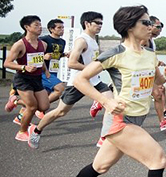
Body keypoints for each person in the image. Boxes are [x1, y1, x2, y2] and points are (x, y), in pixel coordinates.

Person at [44, 5, 166, 177]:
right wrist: (107, 101)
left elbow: (157, 83)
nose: (152, 27)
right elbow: (81, 79)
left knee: (99, 167)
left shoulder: (149, 54)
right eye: (146, 23)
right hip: (120, 121)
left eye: (152, 23)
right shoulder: (116, 54)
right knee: (157, 159)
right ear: (130, 27)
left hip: (138, 118)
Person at [28, 12, 112, 149]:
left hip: (95, 81)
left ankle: (104, 138)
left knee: (111, 103)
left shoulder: (93, 40)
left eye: (101, 23)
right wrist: (92, 68)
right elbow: (71, 63)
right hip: (79, 82)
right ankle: (36, 130)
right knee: (60, 112)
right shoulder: (82, 40)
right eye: (97, 22)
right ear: (87, 23)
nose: (100, 25)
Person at [4, 15, 50, 141]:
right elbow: (7, 63)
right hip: (23, 79)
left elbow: (40, 60)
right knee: (32, 107)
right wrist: (24, 67)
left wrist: (46, 71)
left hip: (37, 79)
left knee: (44, 106)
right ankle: (22, 132)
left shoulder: (43, 44)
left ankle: (15, 100)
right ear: (27, 27)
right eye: (36, 25)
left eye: (40, 25)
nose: (40, 27)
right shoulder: (20, 45)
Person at [35, 19, 68, 119]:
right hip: (44, 71)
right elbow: (36, 54)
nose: (62, 30)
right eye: (59, 28)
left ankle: (22, 115)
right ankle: (38, 108)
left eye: (63, 27)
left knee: (46, 94)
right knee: (60, 89)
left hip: (54, 70)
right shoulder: (44, 40)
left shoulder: (63, 41)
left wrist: (64, 55)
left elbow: (56, 55)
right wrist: (43, 56)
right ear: (51, 29)